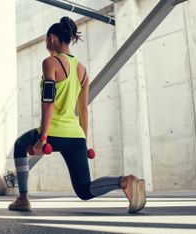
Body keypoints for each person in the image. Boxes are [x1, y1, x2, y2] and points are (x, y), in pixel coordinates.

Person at [9, 16, 146, 214]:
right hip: (75, 135)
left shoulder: (50, 63)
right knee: (84, 190)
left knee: (20, 145)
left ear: (52, 38)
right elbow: (83, 109)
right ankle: (124, 181)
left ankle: (23, 198)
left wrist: (43, 137)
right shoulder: (82, 70)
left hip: (53, 131)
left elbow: (49, 103)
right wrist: (84, 140)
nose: (46, 44)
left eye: (47, 40)